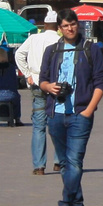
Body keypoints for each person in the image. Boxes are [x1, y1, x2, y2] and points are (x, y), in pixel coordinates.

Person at [37, 9, 103, 206]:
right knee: (66, 164)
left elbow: (101, 82)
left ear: (79, 25)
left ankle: (65, 204)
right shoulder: (51, 51)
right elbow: (42, 80)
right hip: (56, 114)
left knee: (75, 161)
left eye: (73, 24)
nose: (70, 28)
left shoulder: (91, 49)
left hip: (80, 114)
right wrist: (49, 87)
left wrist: (88, 110)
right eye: (66, 25)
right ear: (59, 28)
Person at [15, 20, 65, 176]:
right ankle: (59, 162)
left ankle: (39, 166)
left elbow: (19, 54)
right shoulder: (60, 40)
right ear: (58, 26)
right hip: (56, 84)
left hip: (37, 83)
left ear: (44, 25)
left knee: (39, 126)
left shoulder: (33, 39)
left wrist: (27, 74)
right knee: (58, 123)